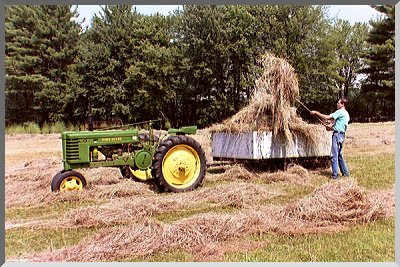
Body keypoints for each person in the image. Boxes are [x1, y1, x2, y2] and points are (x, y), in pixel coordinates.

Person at [310, 98, 350, 179]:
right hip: (341, 136)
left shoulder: (340, 111)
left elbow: (327, 117)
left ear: (342, 105)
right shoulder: (346, 114)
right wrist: (330, 127)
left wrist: (316, 113)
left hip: (337, 135)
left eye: (338, 103)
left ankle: (335, 176)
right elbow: (339, 124)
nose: (337, 104)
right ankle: (345, 173)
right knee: (339, 155)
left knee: (334, 155)